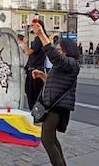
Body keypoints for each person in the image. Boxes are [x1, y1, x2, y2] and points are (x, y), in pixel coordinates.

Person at [31, 23, 80, 166]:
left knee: (47, 140)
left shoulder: (71, 64)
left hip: (57, 108)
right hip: (53, 106)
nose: (57, 52)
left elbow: (54, 57)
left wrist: (41, 35)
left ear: (66, 51)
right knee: (51, 139)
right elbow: (56, 85)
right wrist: (42, 76)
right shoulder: (64, 66)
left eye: (59, 50)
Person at [23, 19, 46, 110]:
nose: (32, 28)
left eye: (34, 26)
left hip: (35, 69)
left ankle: (35, 113)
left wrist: (25, 43)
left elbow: (28, 52)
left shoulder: (38, 39)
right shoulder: (39, 39)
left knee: (33, 94)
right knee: (32, 92)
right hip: (35, 68)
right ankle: (36, 113)